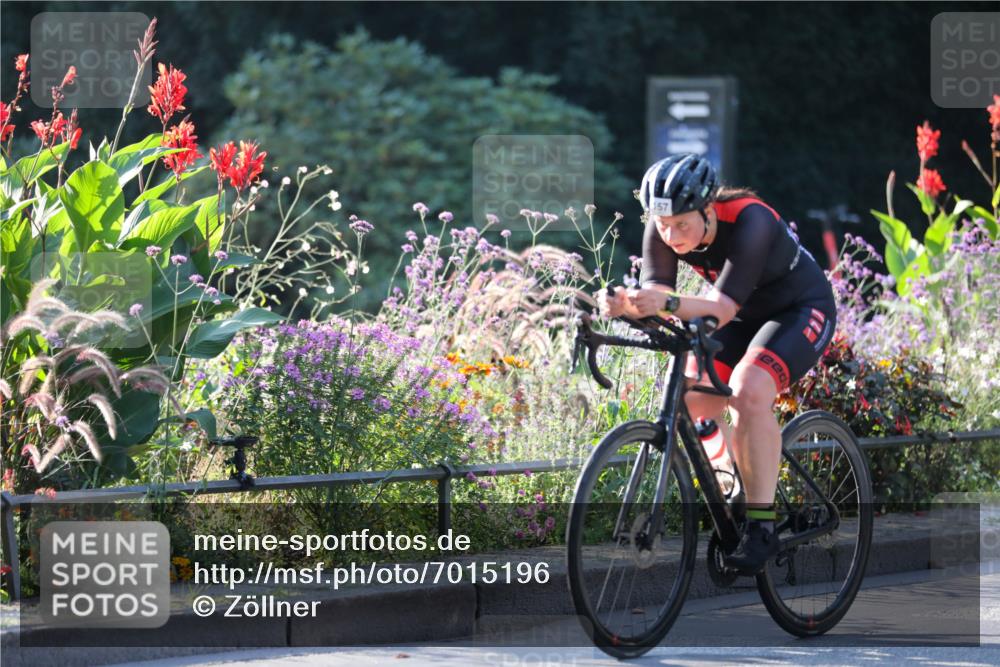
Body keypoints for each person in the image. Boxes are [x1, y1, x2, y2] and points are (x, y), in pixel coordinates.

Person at [595, 153, 837, 574]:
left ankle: (762, 526)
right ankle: (735, 482)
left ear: (708, 209)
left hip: (799, 309)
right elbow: (659, 299)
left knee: (748, 389)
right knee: (693, 399)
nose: (671, 235)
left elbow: (719, 307)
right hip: (741, 317)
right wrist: (624, 304)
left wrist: (665, 302)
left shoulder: (750, 220)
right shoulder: (663, 224)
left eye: (681, 225)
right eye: (662, 224)